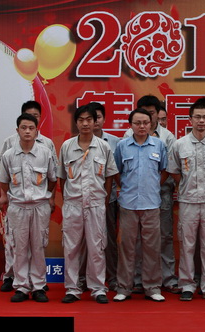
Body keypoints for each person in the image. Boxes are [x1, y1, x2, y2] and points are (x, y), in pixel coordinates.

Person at [57, 105, 118, 304]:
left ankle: (98, 288)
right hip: (73, 204)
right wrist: (68, 199)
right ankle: (72, 288)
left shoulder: (103, 147)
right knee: (71, 248)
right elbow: (62, 177)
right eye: (81, 120)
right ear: (76, 123)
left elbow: (109, 176)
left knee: (97, 247)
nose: (85, 123)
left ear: (95, 122)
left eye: (89, 119)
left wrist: (104, 200)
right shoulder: (67, 146)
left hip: (96, 204)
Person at [167, 99, 205, 301]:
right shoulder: (179, 144)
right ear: (190, 119)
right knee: (187, 244)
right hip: (188, 201)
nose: (201, 121)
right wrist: (186, 184)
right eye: (197, 117)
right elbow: (174, 171)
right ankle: (187, 285)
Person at [0, 113, 58, 302]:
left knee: (38, 247)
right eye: (23, 128)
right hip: (17, 207)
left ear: (37, 131)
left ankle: (39, 287)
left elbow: (52, 179)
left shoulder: (45, 153)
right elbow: (3, 181)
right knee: (19, 247)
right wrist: (13, 196)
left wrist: (44, 196)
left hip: (40, 206)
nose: (27, 131)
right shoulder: (9, 155)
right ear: (17, 130)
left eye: (31, 128)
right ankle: (22, 287)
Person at [124, 95, 178, 294]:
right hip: (134, 197)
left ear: (158, 114)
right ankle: (139, 279)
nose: (147, 117)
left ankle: (168, 278)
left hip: (161, 193)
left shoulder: (168, 137)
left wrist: (153, 186)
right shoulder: (127, 136)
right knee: (138, 239)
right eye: (143, 113)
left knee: (164, 236)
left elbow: (169, 168)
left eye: (152, 113)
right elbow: (120, 169)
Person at [113, 108, 169, 302]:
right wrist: (127, 187)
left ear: (151, 124)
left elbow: (164, 171)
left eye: (145, 122)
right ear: (131, 125)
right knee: (126, 248)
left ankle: (152, 288)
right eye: (137, 123)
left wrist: (153, 187)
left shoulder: (159, 145)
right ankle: (124, 288)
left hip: (151, 203)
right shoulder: (122, 146)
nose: (142, 126)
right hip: (128, 204)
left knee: (152, 248)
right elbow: (117, 172)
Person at [86, 101, 123, 293]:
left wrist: (109, 196)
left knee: (107, 240)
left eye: (98, 117)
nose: (94, 122)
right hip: (84, 200)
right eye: (91, 118)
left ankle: (112, 277)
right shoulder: (76, 143)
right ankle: (84, 278)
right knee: (85, 240)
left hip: (109, 200)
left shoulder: (115, 142)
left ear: (103, 119)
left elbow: (117, 172)